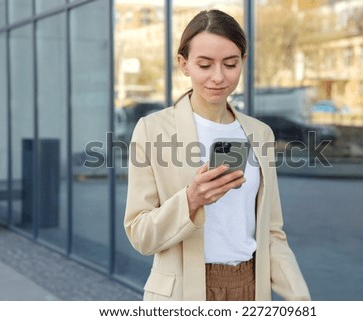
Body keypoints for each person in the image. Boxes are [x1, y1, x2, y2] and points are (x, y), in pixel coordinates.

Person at [124, 9, 310, 301]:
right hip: (183, 292)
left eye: (230, 64)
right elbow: (140, 234)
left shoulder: (259, 134)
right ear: (184, 65)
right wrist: (192, 198)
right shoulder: (152, 130)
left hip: (251, 288)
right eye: (205, 64)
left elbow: (272, 234)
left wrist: (301, 301)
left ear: (243, 63)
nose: (218, 77)